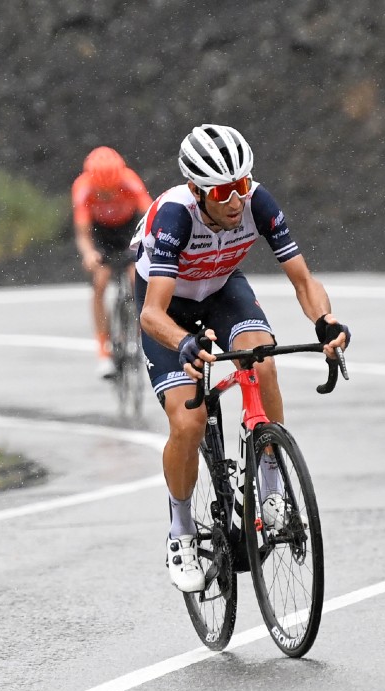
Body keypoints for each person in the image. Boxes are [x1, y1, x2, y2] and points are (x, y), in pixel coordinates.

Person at [134, 124, 351, 593]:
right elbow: (152, 315)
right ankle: (181, 528)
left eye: (243, 184)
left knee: (263, 359)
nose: (237, 199)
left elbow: (302, 279)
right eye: (224, 190)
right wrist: (185, 343)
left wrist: (326, 322)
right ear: (198, 190)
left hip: (222, 286)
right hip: (167, 305)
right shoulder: (175, 216)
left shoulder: (257, 202)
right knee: (188, 424)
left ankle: (271, 484)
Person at [72, 146, 153, 378]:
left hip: (128, 230)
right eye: (102, 193)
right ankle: (103, 352)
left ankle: (137, 335)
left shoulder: (130, 181)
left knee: (135, 276)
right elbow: (83, 232)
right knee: (100, 281)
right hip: (102, 235)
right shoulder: (83, 188)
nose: (107, 197)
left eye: (112, 191)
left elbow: (151, 214)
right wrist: (89, 253)